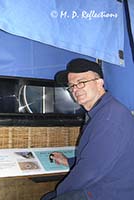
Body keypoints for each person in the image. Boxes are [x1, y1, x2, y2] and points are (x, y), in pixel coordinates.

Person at [41, 58, 134, 200]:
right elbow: (96, 157)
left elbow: (90, 172)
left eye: (81, 83)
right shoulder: (101, 111)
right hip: (102, 185)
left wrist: (60, 193)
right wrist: (69, 161)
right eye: (71, 86)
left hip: (109, 192)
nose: (75, 89)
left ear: (99, 83)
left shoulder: (111, 117)